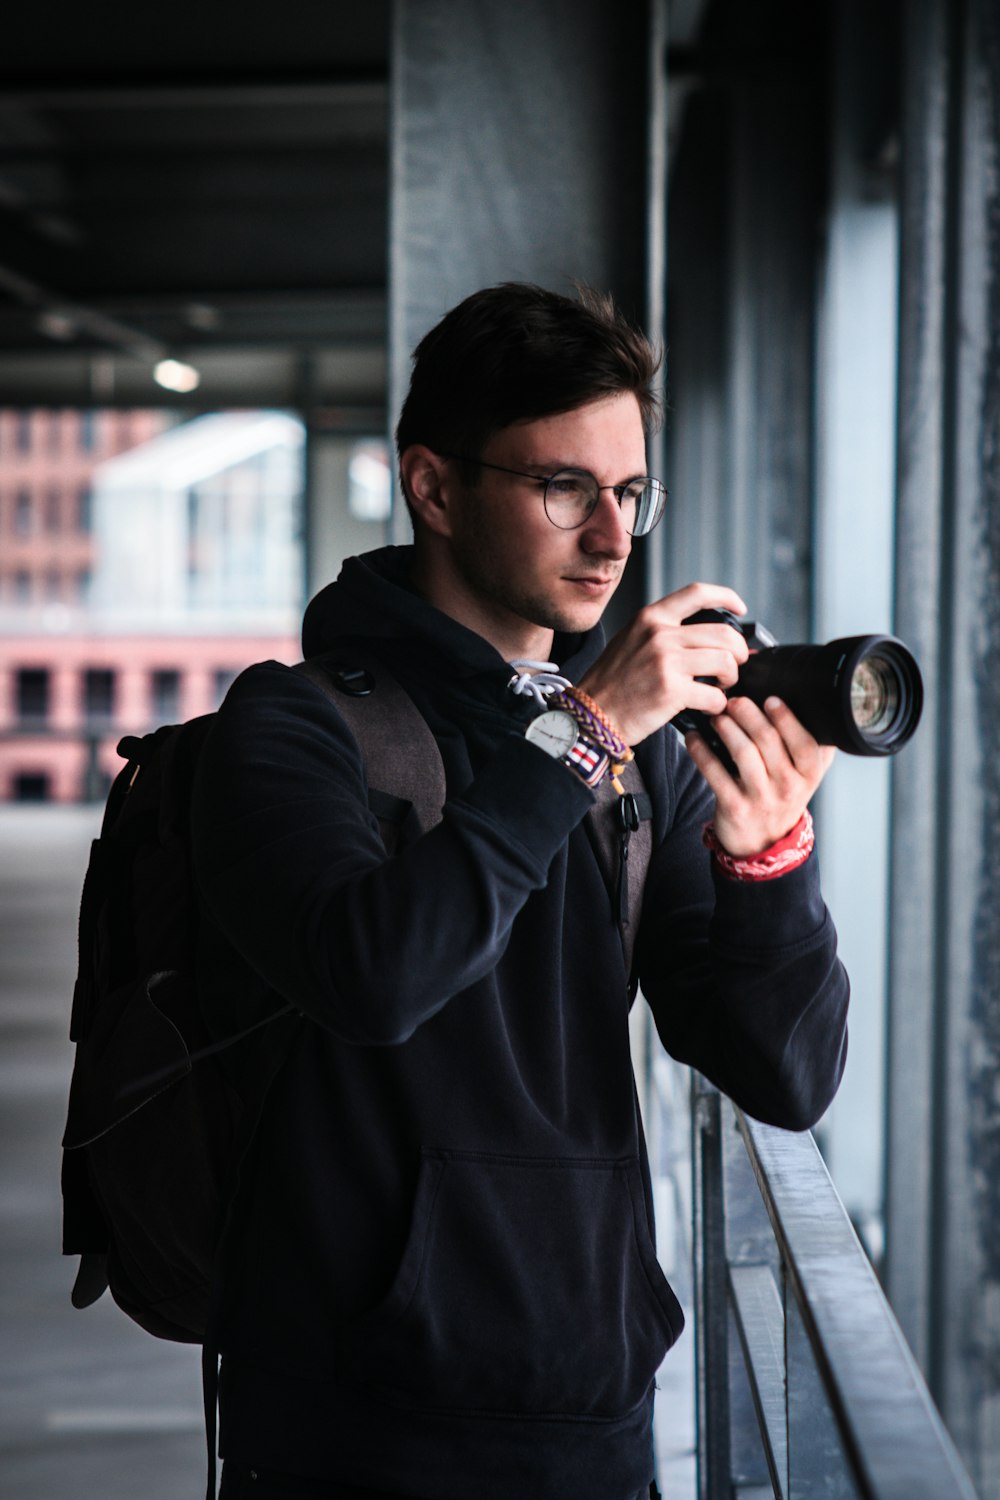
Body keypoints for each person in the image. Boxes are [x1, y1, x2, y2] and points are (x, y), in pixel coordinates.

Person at [191, 282, 849, 1500]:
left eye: (631, 492)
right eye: (565, 490)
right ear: (434, 487)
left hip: (594, 1409)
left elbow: (786, 1073)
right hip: (354, 1435)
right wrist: (586, 733)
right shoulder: (294, 724)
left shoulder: (640, 755)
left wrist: (769, 863)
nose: (613, 537)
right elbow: (373, 977)